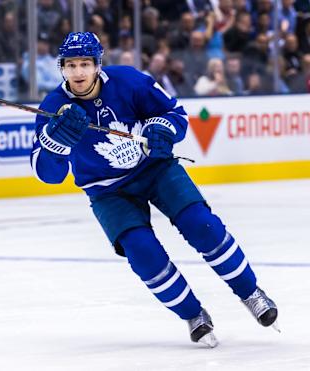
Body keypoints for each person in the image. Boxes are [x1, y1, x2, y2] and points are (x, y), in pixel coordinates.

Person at [30, 32, 279, 348]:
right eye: (71, 66)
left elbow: (174, 114)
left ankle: (251, 293)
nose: (78, 73)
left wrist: (161, 129)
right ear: (62, 69)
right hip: (107, 191)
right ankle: (193, 315)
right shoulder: (54, 107)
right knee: (143, 253)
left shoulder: (129, 80)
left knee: (203, 226)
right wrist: (56, 142)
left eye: (84, 64)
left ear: (97, 65)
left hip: (155, 170)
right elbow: (45, 173)